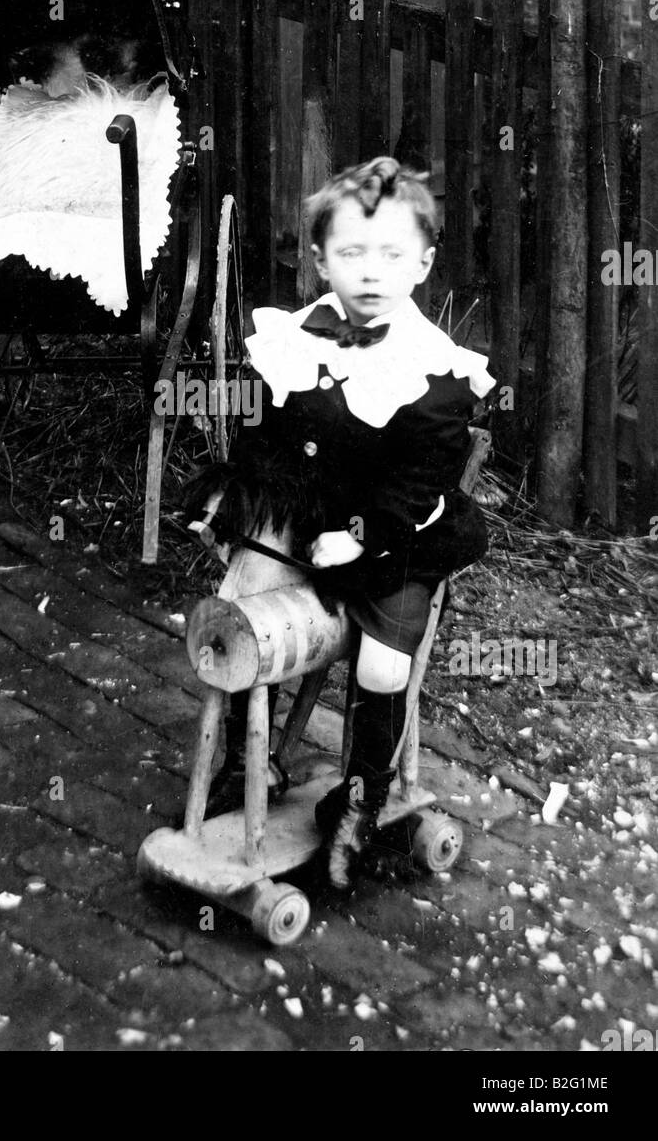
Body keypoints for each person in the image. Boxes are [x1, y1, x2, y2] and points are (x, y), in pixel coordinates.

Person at [183, 156, 495, 889]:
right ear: (321, 259)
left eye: (391, 255)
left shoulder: (434, 371)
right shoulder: (297, 337)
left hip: (397, 533)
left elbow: (419, 482)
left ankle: (360, 798)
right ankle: (244, 760)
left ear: (421, 265)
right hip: (307, 512)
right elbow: (268, 434)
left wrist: (359, 534)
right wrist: (234, 496)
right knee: (237, 605)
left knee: (383, 661)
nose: (370, 272)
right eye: (351, 253)